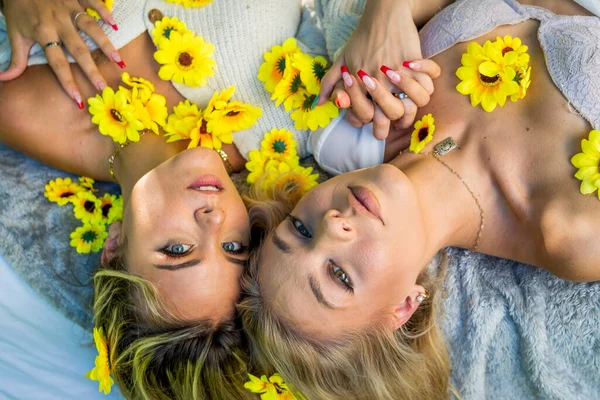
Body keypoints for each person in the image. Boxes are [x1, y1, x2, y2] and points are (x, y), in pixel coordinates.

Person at [239, 0, 600, 399]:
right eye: (338, 275)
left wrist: (386, 14)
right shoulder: (573, 236)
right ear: (404, 308)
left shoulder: (359, 114)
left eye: (301, 228)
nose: (331, 226)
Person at [0, 0, 330, 397]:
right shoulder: (287, 124)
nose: (213, 219)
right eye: (233, 246)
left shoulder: (15, 100)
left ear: (116, 245)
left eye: (177, 249)